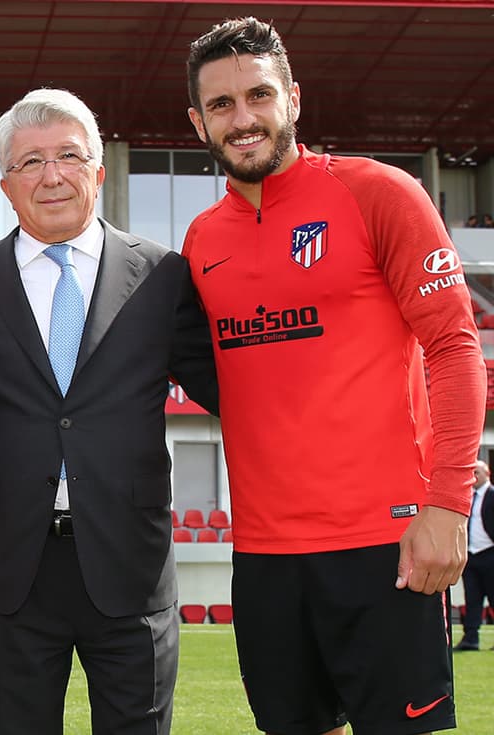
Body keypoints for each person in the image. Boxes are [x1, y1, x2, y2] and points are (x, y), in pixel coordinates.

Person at [183, 17, 486, 734]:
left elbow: (454, 345)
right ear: (199, 122)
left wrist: (447, 505)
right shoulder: (201, 240)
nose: (243, 118)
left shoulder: (379, 192)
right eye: (221, 104)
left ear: (292, 97)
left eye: (259, 95)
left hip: (387, 542)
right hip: (264, 556)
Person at [0, 88, 218, 735]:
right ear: (6, 185)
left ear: (98, 171)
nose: (52, 175)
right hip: (17, 570)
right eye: (30, 162)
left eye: (68, 155)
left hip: (131, 567)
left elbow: (235, 391)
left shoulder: (162, 275)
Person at [458, 460, 494, 651]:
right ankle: (470, 639)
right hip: (470, 556)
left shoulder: (492, 495)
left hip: (490, 554)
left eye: (477, 472)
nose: (474, 476)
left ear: (487, 473)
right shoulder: (467, 497)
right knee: (472, 599)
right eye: (472, 473)